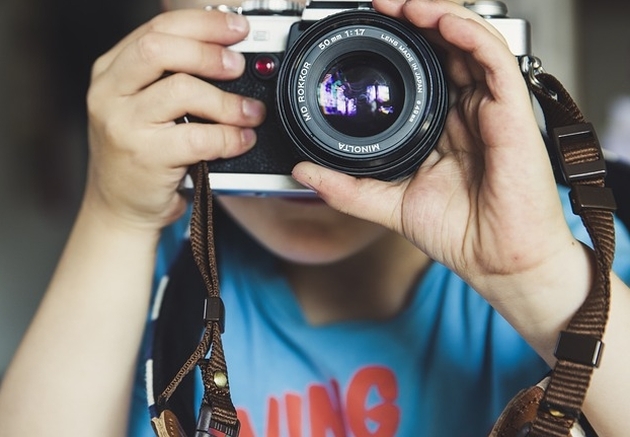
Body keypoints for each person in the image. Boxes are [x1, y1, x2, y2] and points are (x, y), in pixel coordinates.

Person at [1, 0, 630, 435]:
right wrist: (115, 219)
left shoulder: (568, 260)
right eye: (262, 19)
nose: (316, 118)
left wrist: (539, 281)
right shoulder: (151, 276)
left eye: (356, 21)